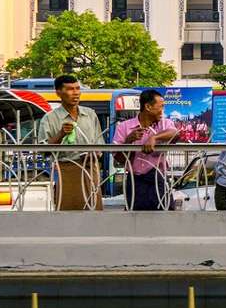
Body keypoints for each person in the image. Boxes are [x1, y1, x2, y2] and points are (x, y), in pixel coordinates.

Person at [38, 74, 104, 210]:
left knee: (94, 213)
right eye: (70, 89)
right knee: (68, 214)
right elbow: (43, 150)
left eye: (77, 89)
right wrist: (61, 134)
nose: (75, 93)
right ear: (58, 93)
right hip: (67, 170)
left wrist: (95, 154)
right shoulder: (50, 118)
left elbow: (100, 145)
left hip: (90, 169)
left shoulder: (90, 114)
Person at [113, 88, 181, 210]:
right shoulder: (124, 127)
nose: (162, 110)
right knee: (135, 220)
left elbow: (175, 133)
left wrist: (154, 137)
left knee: (165, 217)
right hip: (135, 181)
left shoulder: (165, 124)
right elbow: (119, 158)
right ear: (148, 107)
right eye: (160, 107)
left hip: (158, 179)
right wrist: (128, 141)